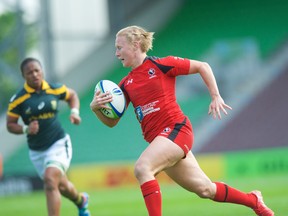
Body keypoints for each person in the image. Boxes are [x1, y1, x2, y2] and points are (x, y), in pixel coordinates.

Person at [90, 25, 274, 216]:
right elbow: (112, 122)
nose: (116, 53)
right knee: (205, 189)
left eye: (119, 47)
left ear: (136, 45)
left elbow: (203, 66)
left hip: (177, 130)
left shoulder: (161, 65)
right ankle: (254, 200)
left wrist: (215, 95)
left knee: (143, 168)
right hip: (162, 141)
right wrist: (95, 108)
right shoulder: (125, 85)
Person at [6, 57, 91, 216]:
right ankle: (81, 201)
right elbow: (10, 125)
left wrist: (74, 112)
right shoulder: (18, 99)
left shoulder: (54, 89)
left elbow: (72, 96)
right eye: (29, 72)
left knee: (50, 179)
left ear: (42, 71)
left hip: (58, 143)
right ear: (24, 76)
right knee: (61, 186)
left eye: (37, 70)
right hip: (37, 151)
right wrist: (25, 129)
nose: (34, 74)